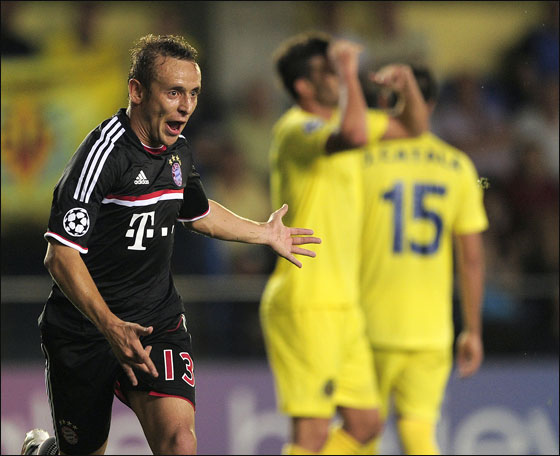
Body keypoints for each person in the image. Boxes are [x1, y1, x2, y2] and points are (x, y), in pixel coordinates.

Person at [20, 34, 321, 456]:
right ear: (137, 91)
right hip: (86, 329)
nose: (186, 105)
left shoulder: (178, 151)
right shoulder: (103, 155)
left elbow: (197, 212)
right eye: (174, 92)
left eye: (194, 93)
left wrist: (263, 232)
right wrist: (110, 325)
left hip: (155, 322)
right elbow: (60, 254)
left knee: (180, 443)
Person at [259, 31, 429, 455]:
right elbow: (352, 135)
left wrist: (407, 86)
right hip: (306, 299)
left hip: (344, 305)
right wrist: (352, 73)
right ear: (303, 86)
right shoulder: (296, 129)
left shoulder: (346, 120)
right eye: (328, 70)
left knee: (366, 424)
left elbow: (413, 127)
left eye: (337, 68)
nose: (336, 75)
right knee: (312, 433)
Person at [360, 66, 488, 454]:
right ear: (429, 105)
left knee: (360, 432)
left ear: (385, 102)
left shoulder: (361, 158)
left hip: (369, 322)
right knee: (418, 431)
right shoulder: (458, 166)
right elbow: (471, 258)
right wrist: (472, 330)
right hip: (431, 330)